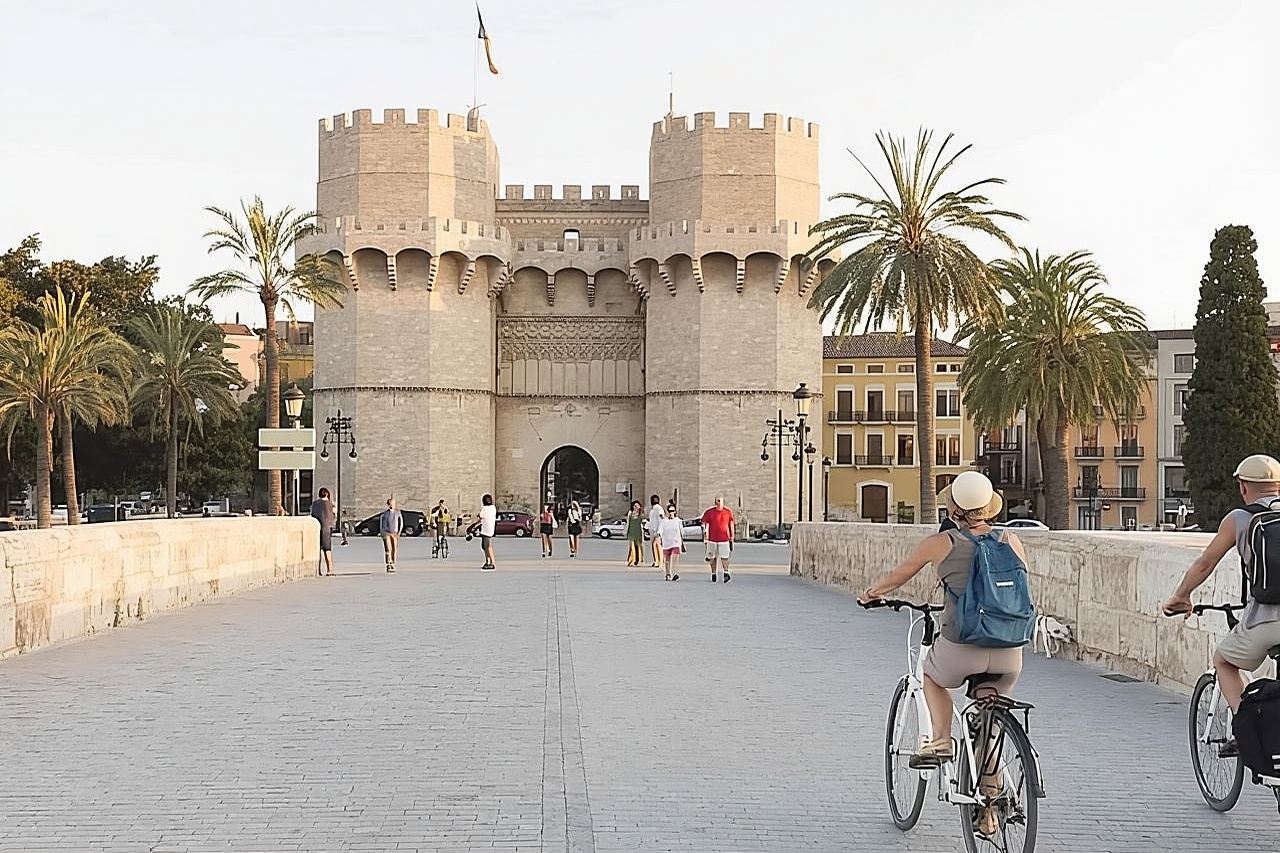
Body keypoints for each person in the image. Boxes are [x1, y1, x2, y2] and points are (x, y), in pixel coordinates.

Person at [859, 473, 1027, 791]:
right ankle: (991, 802)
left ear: (954, 511)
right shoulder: (1011, 541)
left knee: (932, 676)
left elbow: (898, 576)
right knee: (987, 717)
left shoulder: (942, 543)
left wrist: (871, 593)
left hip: (963, 645)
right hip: (1009, 650)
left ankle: (940, 741)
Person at [1164, 455, 1280, 723]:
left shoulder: (1239, 519)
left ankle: (1246, 727)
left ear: (1242, 487)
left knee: (1223, 661)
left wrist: (1181, 596)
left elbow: (1205, 564)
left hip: (1263, 622)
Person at [702, 496, 735, 583]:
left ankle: (726, 572)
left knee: (725, 556)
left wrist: (732, 536)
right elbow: (704, 523)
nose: (720, 503)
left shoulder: (728, 512)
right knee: (712, 557)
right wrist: (705, 536)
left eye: (721, 501)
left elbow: (731, 523)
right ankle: (713, 573)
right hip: (712, 539)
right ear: (715, 502)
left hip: (724, 538)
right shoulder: (709, 512)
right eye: (718, 501)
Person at [466, 493, 498, 571]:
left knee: (487, 546)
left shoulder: (485, 509)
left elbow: (480, 516)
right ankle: (487, 561)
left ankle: (492, 562)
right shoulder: (493, 508)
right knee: (484, 546)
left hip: (486, 529)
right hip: (489, 529)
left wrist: (473, 526)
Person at [310, 487, 336, 577]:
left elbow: (313, 515)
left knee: (318, 549)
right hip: (327, 528)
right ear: (327, 494)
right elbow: (333, 516)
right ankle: (330, 569)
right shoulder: (330, 504)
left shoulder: (315, 504)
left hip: (317, 527)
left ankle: (318, 570)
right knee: (327, 549)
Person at [656, 503, 683, 582]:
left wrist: (681, 540)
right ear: (667, 511)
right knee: (667, 559)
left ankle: (675, 573)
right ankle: (668, 573)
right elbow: (660, 529)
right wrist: (659, 534)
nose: (671, 512)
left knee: (675, 558)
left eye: (672, 511)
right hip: (666, 542)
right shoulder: (664, 521)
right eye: (669, 511)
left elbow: (682, 531)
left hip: (676, 542)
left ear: (675, 511)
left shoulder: (678, 521)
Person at [625, 500, 645, 566]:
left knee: (637, 546)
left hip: (638, 532)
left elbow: (644, 522)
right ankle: (632, 560)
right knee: (632, 546)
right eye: (635, 506)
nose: (636, 507)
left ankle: (637, 559)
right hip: (631, 532)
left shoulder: (641, 514)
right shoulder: (630, 513)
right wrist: (626, 531)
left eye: (637, 506)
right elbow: (628, 523)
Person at [647, 494, 665, 568]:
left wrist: (659, 531)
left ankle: (660, 561)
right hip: (652, 529)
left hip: (657, 530)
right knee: (654, 546)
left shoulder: (659, 509)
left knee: (657, 545)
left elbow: (661, 520)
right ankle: (656, 560)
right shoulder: (652, 509)